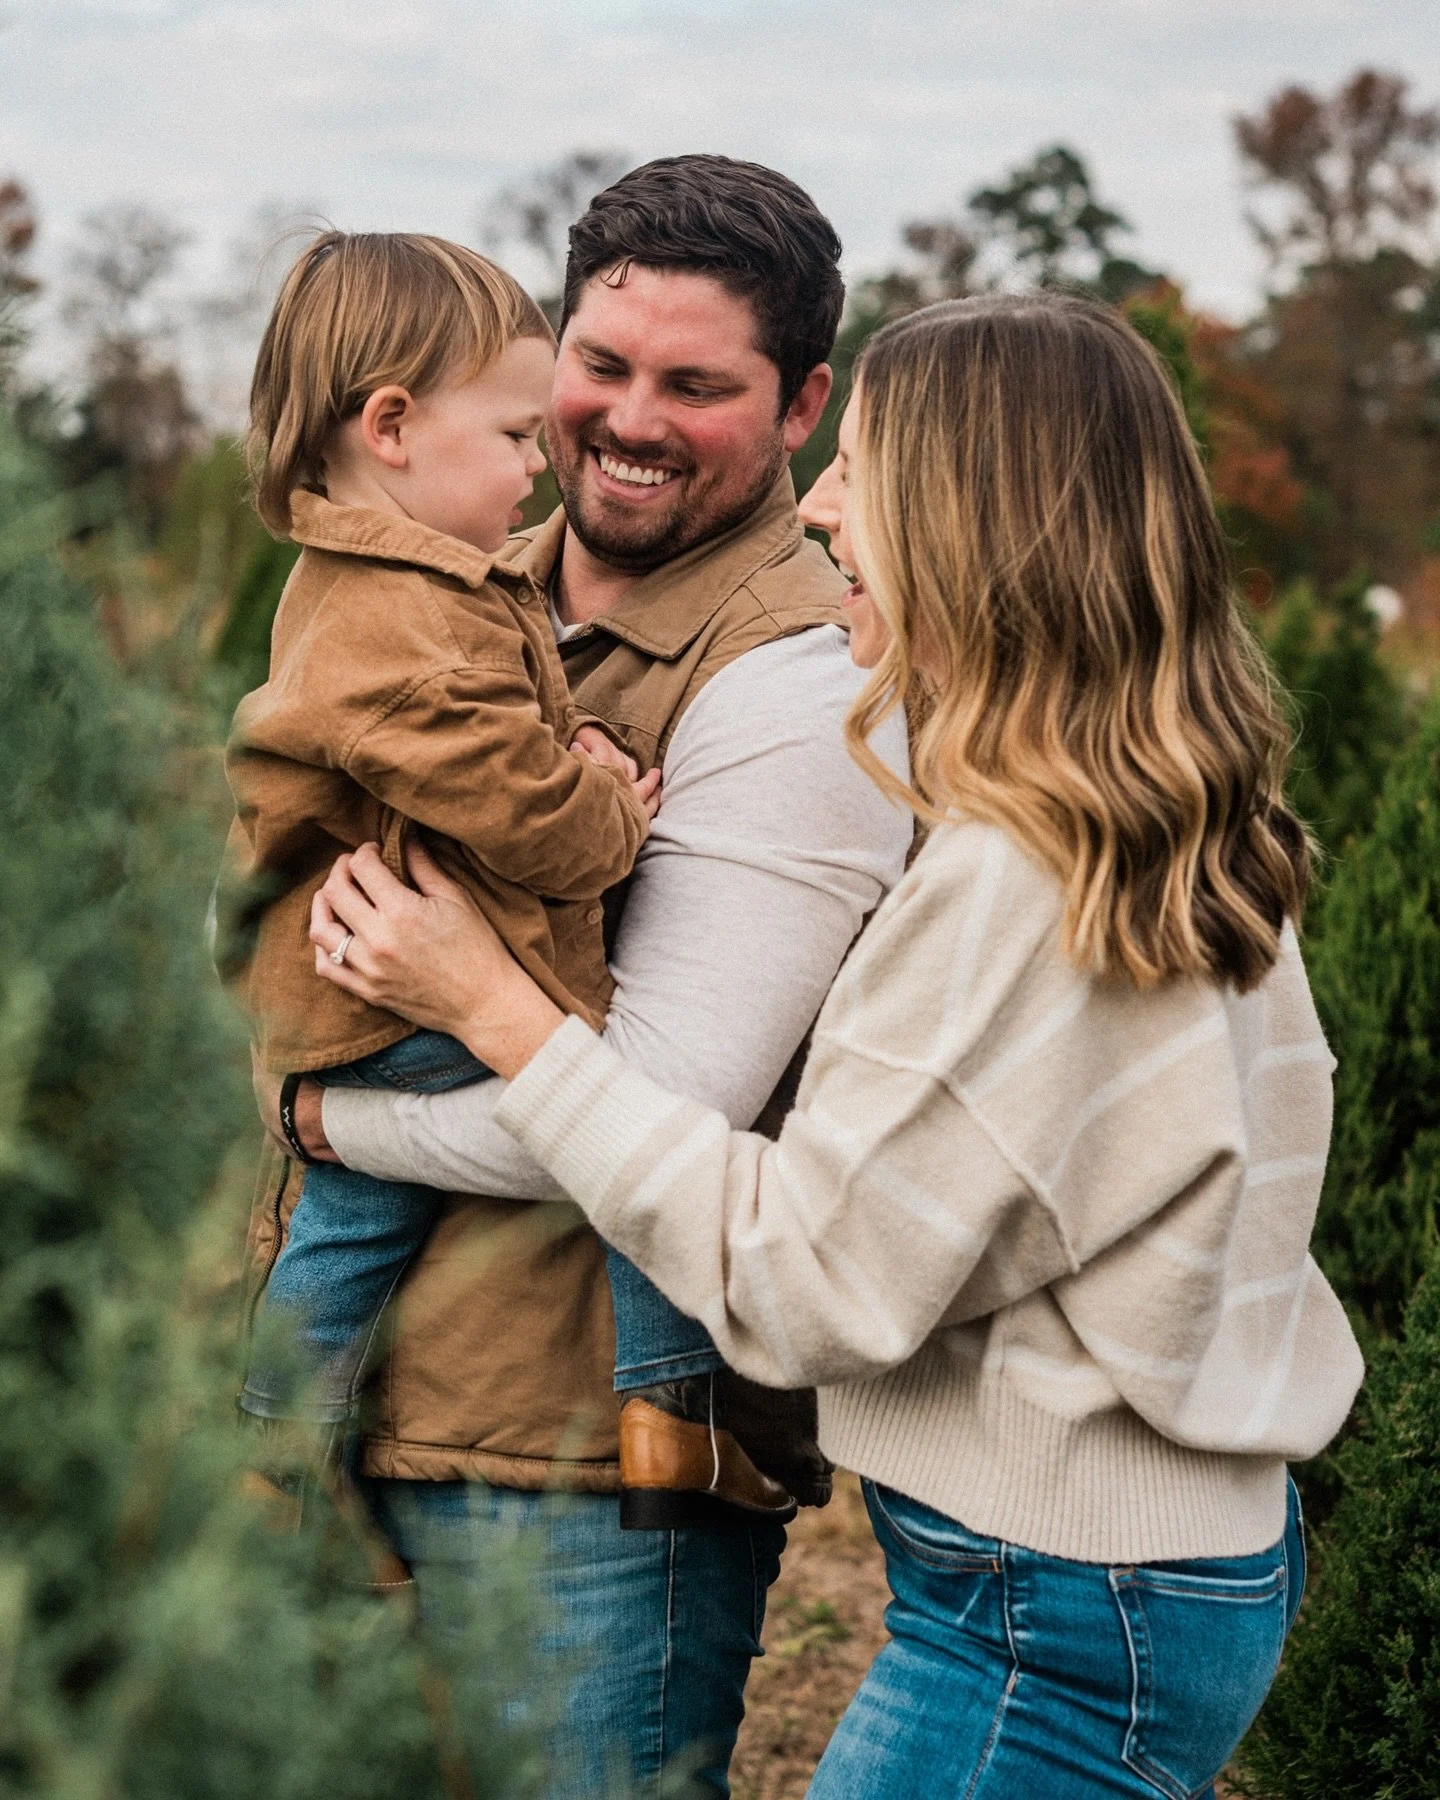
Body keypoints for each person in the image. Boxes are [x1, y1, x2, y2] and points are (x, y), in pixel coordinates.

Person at [304, 293, 1365, 1799]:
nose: (817, 509)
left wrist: (496, 1012)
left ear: (974, 521)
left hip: (1055, 1618)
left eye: (859, 471)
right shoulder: (1163, 815)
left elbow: (803, 1283)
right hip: (1136, 1572)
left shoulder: (1020, 881)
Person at [248, 157, 912, 1795]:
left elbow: (665, 1107)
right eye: (600, 366)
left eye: (697, 387)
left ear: (804, 404)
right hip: (374, 1411)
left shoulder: (799, 679)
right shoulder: (437, 584)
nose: (628, 419)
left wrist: (326, 1117)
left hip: (577, 1488)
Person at [223, 231, 664, 1473]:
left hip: (345, 994)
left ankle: (277, 1450)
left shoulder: (374, 582)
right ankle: (667, 1403)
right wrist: (614, 805)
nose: (539, 463)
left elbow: (485, 743)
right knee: (644, 1129)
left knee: (353, 1220)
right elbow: (533, 822)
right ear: (393, 427)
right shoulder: (400, 618)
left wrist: (561, 743)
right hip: (386, 1007)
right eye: (516, 434)